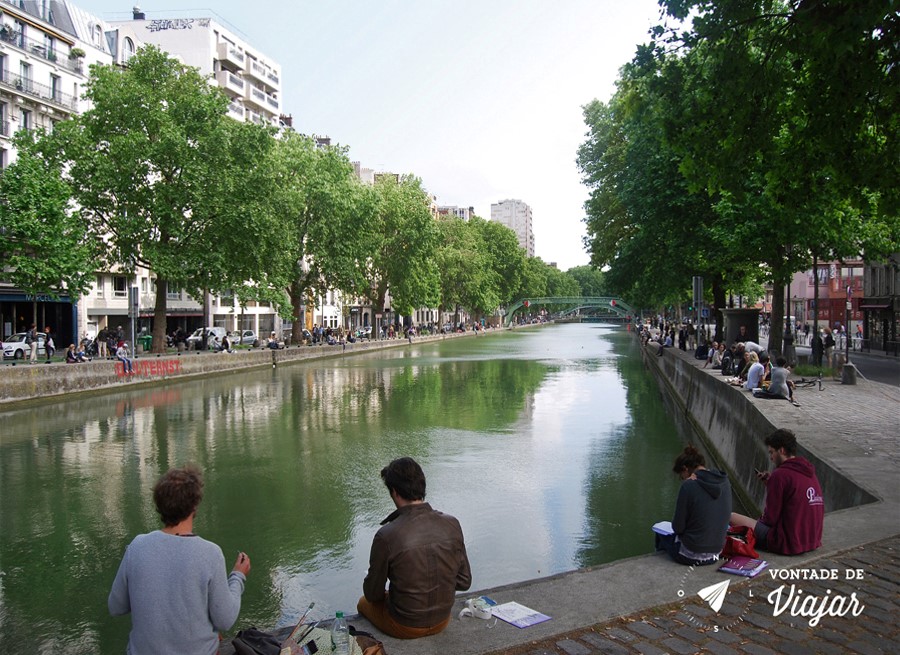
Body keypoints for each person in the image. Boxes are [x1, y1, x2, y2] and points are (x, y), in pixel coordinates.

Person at [109, 465, 251, 655]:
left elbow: (116, 607)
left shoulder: (136, 547)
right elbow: (224, 620)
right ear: (194, 506)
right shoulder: (210, 553)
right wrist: (238, 576)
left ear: (159, 505)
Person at [358, 457, 471, 639]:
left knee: (363, 603)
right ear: (422, 487)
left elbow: (373, 594)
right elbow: (464, 582)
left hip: (405, 626)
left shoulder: (386, 535)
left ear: (394, 492)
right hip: (443, 620)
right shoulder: (452, 524)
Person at [731, 429, 824, 555]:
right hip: (812, 540)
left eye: (772, 452)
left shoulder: (780, 475)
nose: (771, 457)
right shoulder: (808, 472)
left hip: (788, 542)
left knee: (730, 516)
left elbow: (770, 519)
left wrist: (757, 523)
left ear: (781, 450)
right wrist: (771, 484)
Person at [656, 446, 731, 566]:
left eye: (682, 476)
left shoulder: (688, 486)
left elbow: (678, 528)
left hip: (691, 554)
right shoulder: (724, 481)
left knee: (660, 535)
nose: (683, 479)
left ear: (685, 469)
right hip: (716, 552)